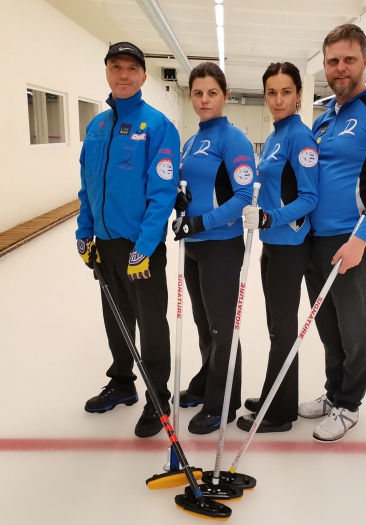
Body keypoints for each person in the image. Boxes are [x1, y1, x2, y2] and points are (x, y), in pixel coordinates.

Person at [299, 24, 366, 442]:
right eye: (333, 61)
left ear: (365, 61)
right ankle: (333, 392)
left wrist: (360, 240)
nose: (340, 68)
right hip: (315, 240)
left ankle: (349, 404)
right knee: (327, 325)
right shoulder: (324, 119)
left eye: (348, 59)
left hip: (351, 239)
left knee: (354, 326)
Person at [75, 41, 180, 438]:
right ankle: (122, 383)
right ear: (107, 72)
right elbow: (88, 187)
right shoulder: (97, 127)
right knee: (115, 318)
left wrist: (145, 247)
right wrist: (84, 232)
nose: (123, 74)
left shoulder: (157, 126)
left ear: (143, 77)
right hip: (104, 245)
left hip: (140, 248)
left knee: (151, 325)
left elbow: (162, 194)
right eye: (116, 66)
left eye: (131, 68)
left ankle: (158, 398)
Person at [171, 62, 255, 435]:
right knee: (204, 324)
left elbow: (243, 196)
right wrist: (180, 202)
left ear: (225, 95)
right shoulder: (192, 141)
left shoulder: (232, 139)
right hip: (194, 246)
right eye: (198, 93)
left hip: (220, 245)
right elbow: (192, 188)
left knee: (222, 328)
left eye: (212, 93)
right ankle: (207, 381)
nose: (204, 100)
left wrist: (202, 222)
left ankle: (224, 402)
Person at [236, 62, 319, 433]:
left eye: (286, 92)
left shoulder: (300, 137)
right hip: (271, 243)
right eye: (272, 92)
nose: (279, 99)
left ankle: (279, 412)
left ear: (298, 94)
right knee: (276, 327)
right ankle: (275, 394)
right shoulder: (274, 136)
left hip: (289, 244)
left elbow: (309, 198)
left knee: (283, 329)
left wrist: (271, 218)